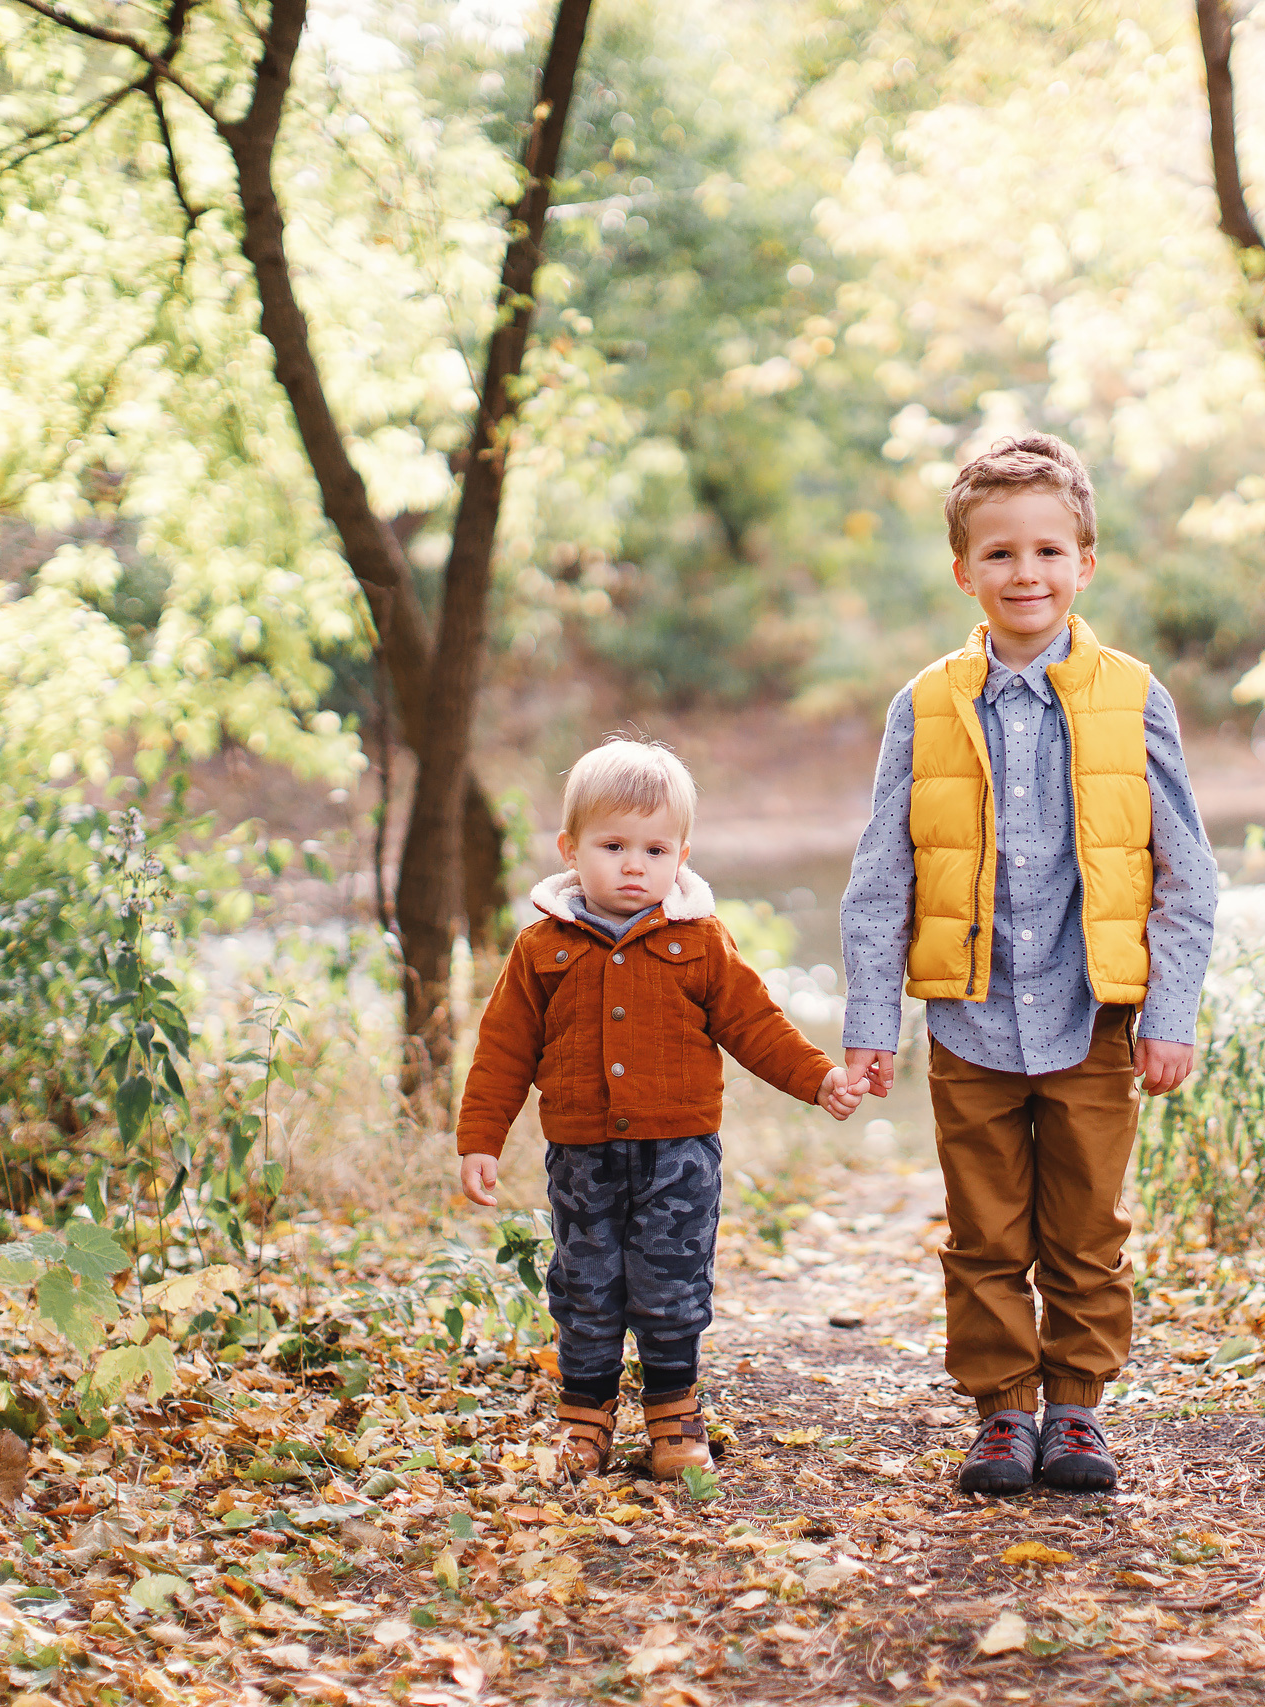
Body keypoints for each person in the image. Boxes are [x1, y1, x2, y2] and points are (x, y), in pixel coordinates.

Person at [840, 433, 1220, 1496]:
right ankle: (1003, 1412)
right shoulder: (924, 704)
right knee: (983, 1234)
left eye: (1048, 552)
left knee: (1086, 1232)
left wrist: (1168, 1009)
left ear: (1084, 563)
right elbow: (882, 873)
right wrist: (873, 1021)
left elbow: (1185, 869)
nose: (1026, 574)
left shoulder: (1133, 695)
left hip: (1096, 1014)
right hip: (970, 1016)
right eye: (1000, 554)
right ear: (964, 570)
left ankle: (1079, 1412)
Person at [458, 738, 867, 1480]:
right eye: (612, 845)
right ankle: (585, 1419)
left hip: (679, 1155)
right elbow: (503, 1050)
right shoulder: (542, 947)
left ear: (683, 853)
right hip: (582, 1155)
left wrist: (818, 1078)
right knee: (584, 1284)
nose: (634, 864)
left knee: (672, 1284)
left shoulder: (701, 941)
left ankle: (673, 1415)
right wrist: (480, 1137)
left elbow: (755, 1025)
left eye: (654, 847)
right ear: (570, 849)